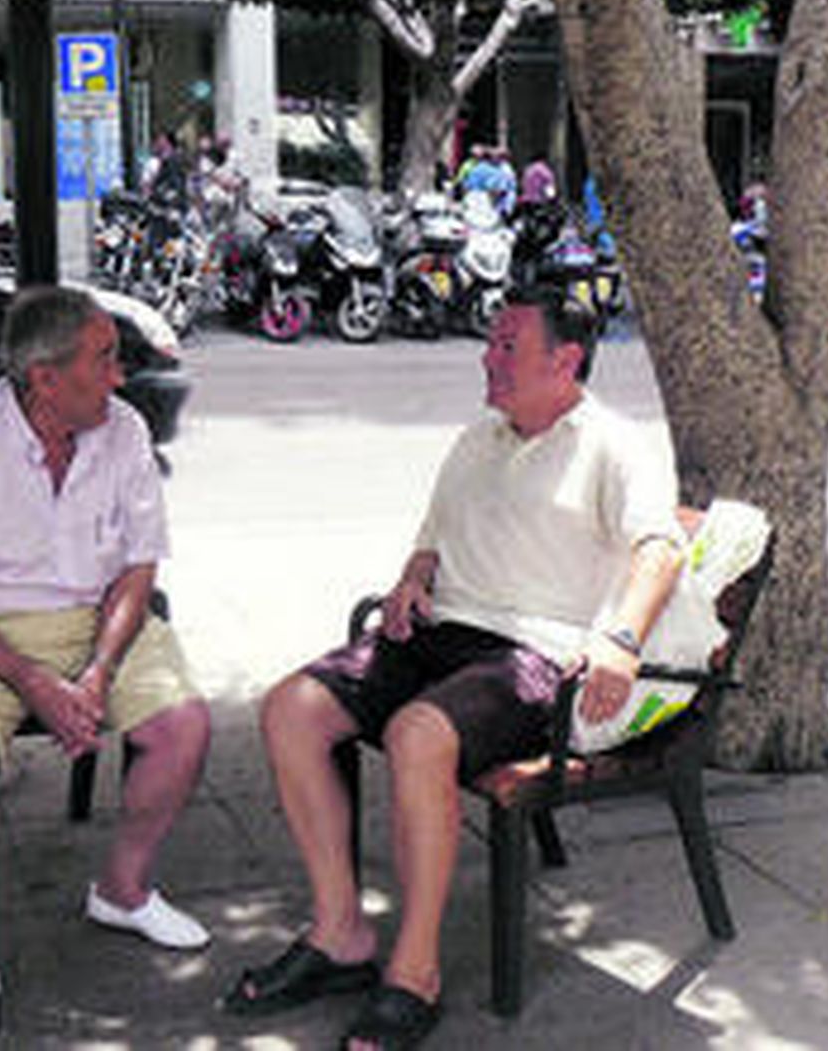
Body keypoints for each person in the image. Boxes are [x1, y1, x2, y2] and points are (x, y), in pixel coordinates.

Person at [222, 285, 689, 1050]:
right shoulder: (480, 438)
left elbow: (660, 547)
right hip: (441, 633)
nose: (487, 355)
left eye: (508, 344)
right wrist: (411, 578)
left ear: (565, 360)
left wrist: (623, 637)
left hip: (534, 655)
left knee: (418, 735)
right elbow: (432, 540)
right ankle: (340, 931)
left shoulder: (613, 445)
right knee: (290, 709)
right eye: (491, 340)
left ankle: (416, 973)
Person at [0, 286, 212, 1049]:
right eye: (104, 359)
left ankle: (123, 887)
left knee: (184, 726)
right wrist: (33, 682)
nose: (120, 376)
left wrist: (97, 670)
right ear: (45, 378)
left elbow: (138, 567)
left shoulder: (122, 430)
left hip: (96, 624)